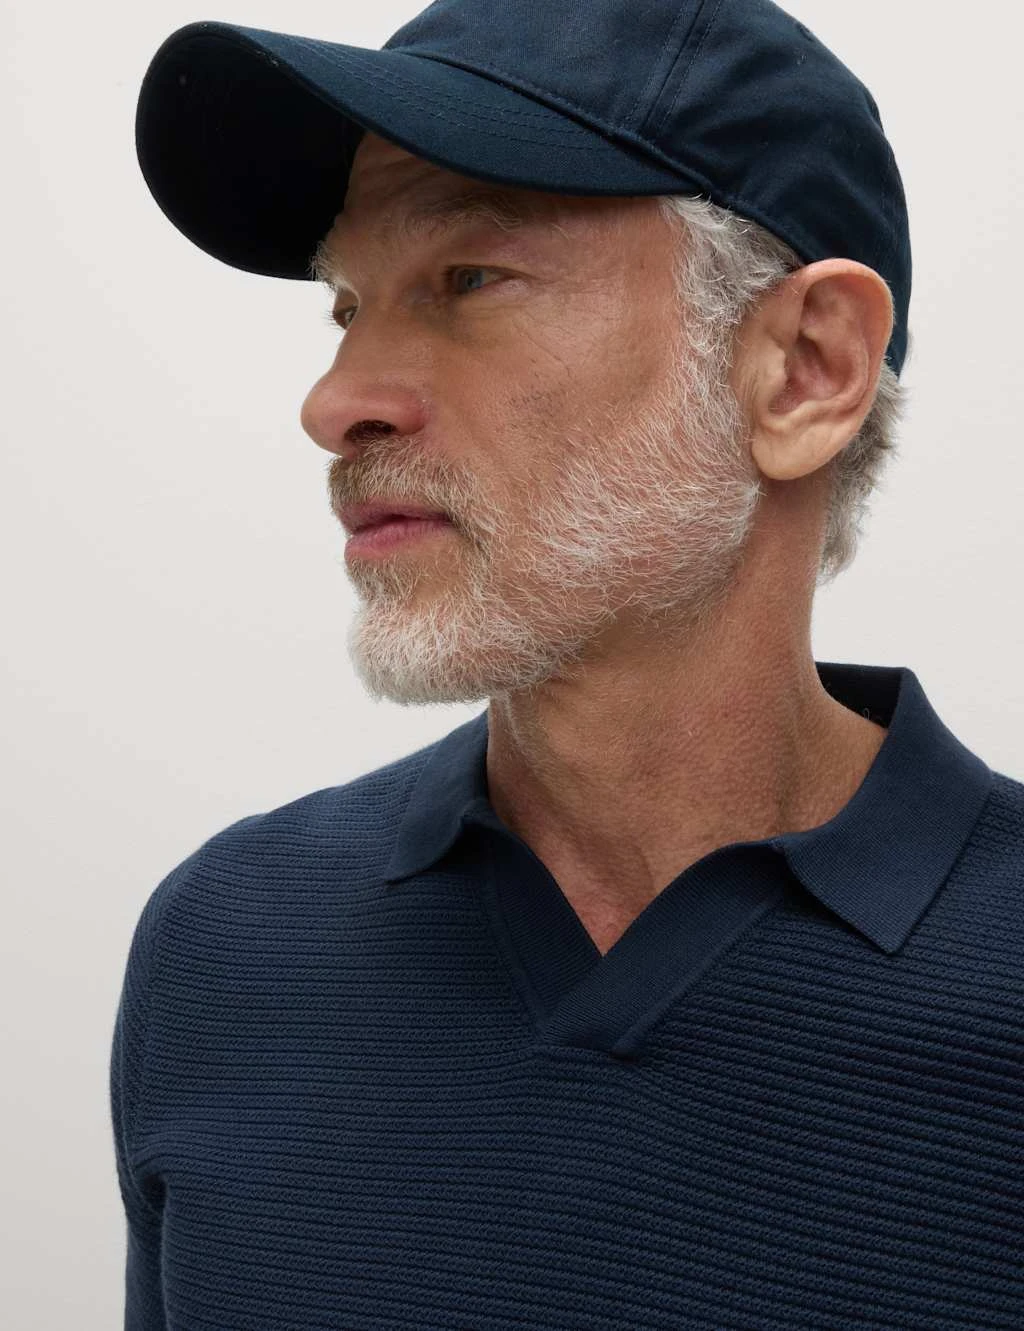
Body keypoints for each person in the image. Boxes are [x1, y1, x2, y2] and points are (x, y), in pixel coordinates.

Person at [112, 1, 1023, 1327]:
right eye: (348, 305)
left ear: (805, 369)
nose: (335, 401)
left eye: (469, 279)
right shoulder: (225, 947)